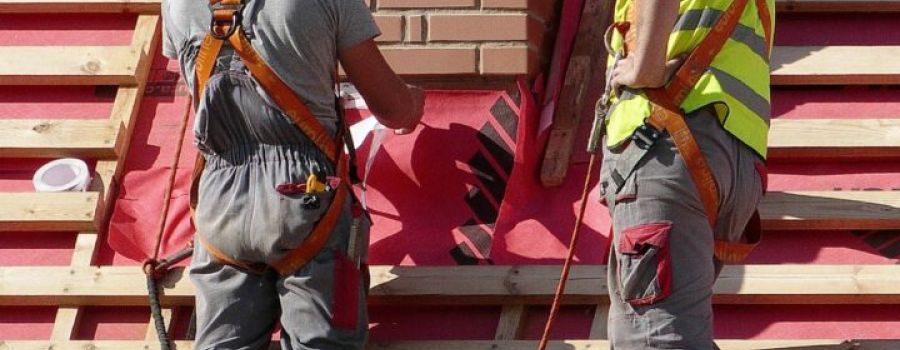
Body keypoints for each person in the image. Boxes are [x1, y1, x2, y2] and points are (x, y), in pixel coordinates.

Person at [161, 0, 424, 349]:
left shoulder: (176, 3)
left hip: (218, 203)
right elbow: (393, 110)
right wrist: (412, 103)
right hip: (304, 197)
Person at [599, 0, 774, 348]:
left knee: (656, 336)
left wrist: (644, 67)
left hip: (665, 143)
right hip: (736, 153)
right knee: (674, 327)